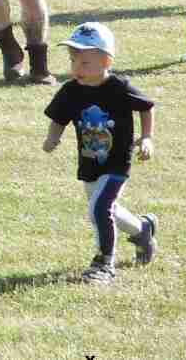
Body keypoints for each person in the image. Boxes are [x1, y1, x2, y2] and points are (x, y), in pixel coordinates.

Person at [42, 21, 159, 285]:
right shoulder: (70, 90)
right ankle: (142, 230)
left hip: (117, 162)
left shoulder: (119, 87)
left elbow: (147, 106)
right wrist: (52, 138)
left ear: (106, 61)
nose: (76, 68)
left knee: (99, 208)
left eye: (85, 63)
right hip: (89, 162)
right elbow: (58, 118)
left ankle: (104, 263)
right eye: (73, 61)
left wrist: (147, 137)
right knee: (105, 211)